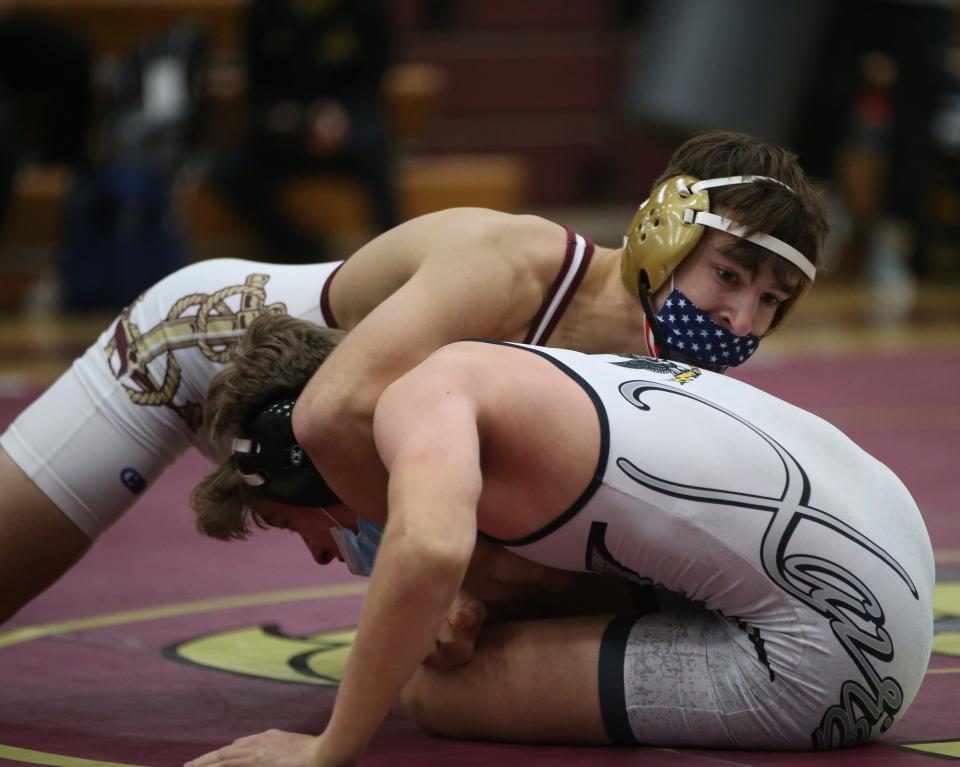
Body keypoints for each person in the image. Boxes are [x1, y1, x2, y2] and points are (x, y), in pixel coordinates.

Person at [0, 130, 827, 628]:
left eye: (772, 299)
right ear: (662, 228)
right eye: (731, 275)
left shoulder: (657, 367)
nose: (744, 319)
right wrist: (492, 578)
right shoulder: (513, 267)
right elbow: (336, 410)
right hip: (189, 347)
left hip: (318, 414)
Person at [185, 312, 934, 765]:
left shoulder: (421, 403)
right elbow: (558, 575)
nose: (320, 553)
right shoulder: (498, 363)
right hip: (896, 564)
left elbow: (430, 551)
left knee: (431, 690)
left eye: (289, 522)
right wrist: (473, 598)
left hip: (834, 667)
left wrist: (332, 747)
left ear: (302, 463)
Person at [212, 0, 397, 264]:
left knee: (377, 150)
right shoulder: (264, 11)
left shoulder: (365, 9)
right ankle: (301, 250)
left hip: (347, 124)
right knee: (228, 171)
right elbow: (258, 88)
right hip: (286, 132)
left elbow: (372, 81)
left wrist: (342, 115)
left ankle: (395, 254)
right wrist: (279, 116)